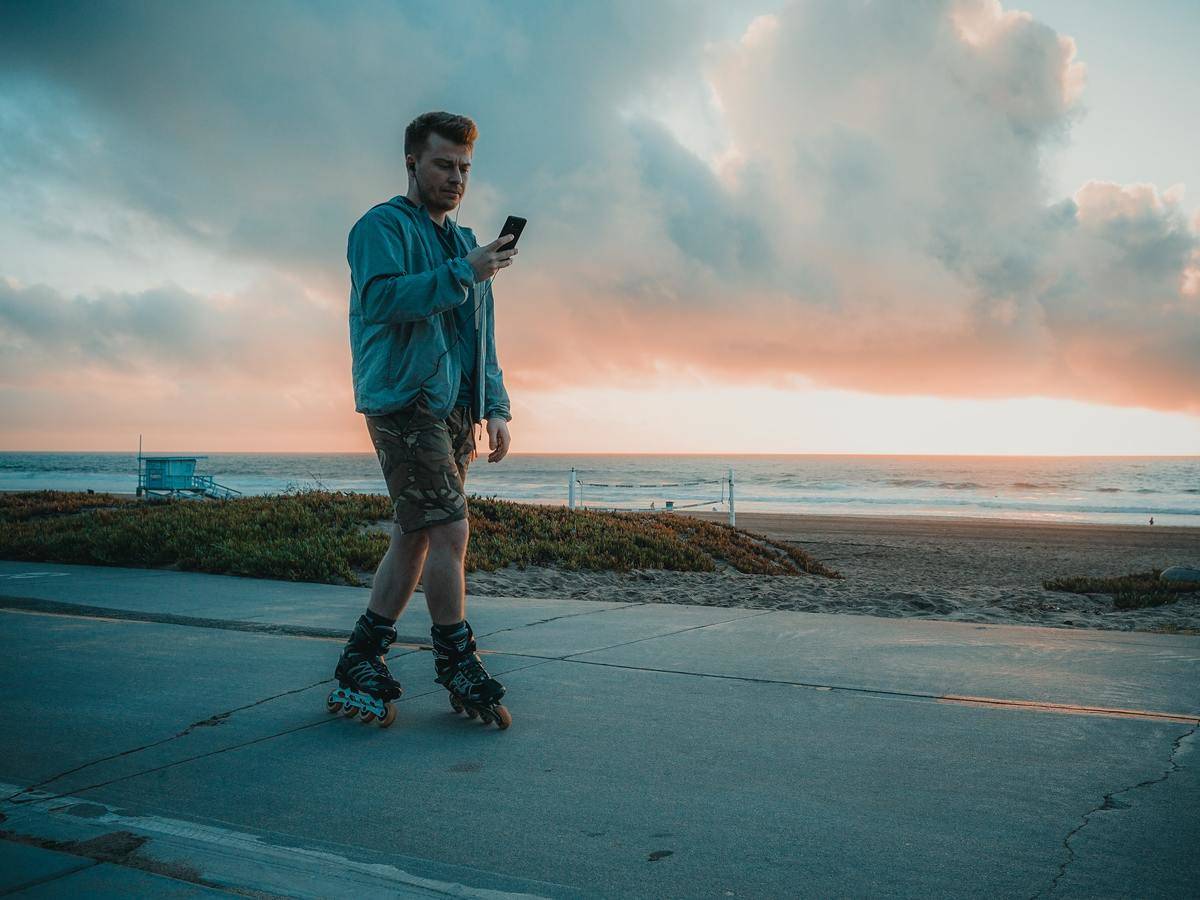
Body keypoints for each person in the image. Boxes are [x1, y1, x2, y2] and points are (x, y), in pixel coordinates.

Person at [328, 111, 517, 728]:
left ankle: (363, 655)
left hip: (453, 406)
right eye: (443, 164)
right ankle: (456, 660)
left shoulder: (465, 245)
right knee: (450, 530)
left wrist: (496, 406)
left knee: (416, 533)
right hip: (403, 399)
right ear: (412, 162)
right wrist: (464, 273)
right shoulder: (379, 227)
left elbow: (480, 335)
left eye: (464, 167)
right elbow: (380, 300)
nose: (456, 177)